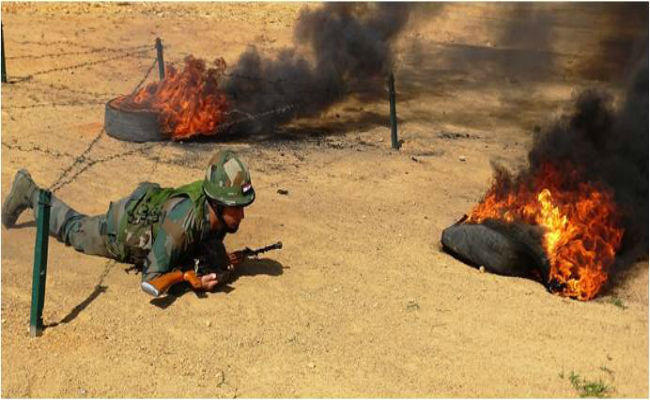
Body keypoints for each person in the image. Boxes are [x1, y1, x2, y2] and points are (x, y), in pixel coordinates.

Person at [2, 149, 255, 296]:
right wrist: (188, 278)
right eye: (236, 208)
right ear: (217, 203)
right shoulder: (181, 225)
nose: (242, 215)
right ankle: (30, 192)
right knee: (73, 229)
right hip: (121, 232)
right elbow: (150, 281)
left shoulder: (213, 209)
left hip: (155, 218)